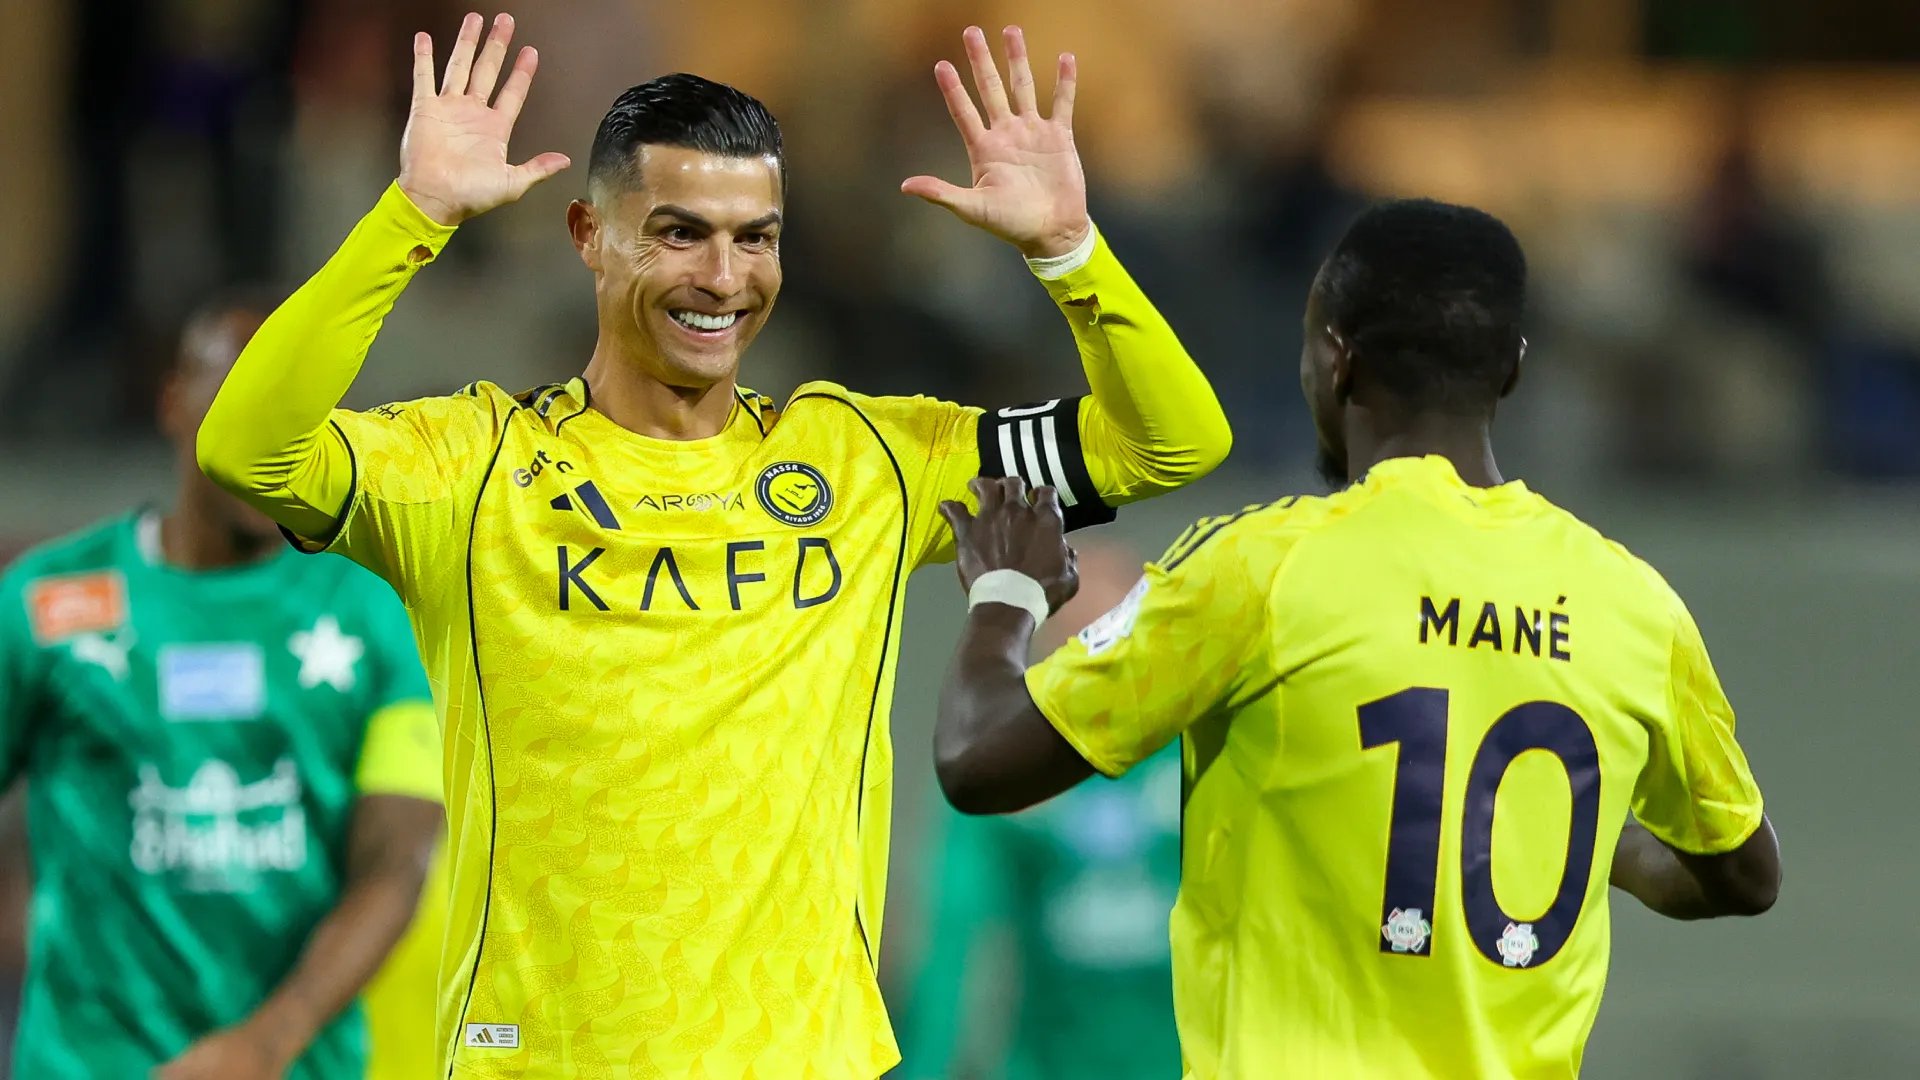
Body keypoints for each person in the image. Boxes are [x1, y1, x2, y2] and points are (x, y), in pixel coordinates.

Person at [195, 11, 1229, 1077]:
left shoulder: (867, 459)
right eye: (680, 232)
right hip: (544, 1060)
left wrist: (1070, 253)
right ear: (590, 236)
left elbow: (1169, 443)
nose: (725, 276)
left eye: (756, 237)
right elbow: (249, 449)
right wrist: (409, 217)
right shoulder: (471, 469)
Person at [929, 199, 1782, 1079]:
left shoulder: (1262, 570)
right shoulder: (1634, 604)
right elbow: (1744, 875)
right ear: (1513, 371)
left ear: (1335, 360)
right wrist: (1578, 839)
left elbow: (977, 757)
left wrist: (1005, 592)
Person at [0, 294, 444, 1079]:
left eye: (293, 410)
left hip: (296, 1065)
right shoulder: (45, 604)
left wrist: (266, 1043)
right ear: (175, 402)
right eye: (240, 400)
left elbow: (399, 861)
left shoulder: (377, 611)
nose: (264, 437)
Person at [899, 544, 1180, 1080]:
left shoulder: (1200, 753)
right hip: (1048, 1064)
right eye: (1083, 629)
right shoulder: (1007, 767)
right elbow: (950, 941)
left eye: (1116, 623)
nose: (1102, 644)